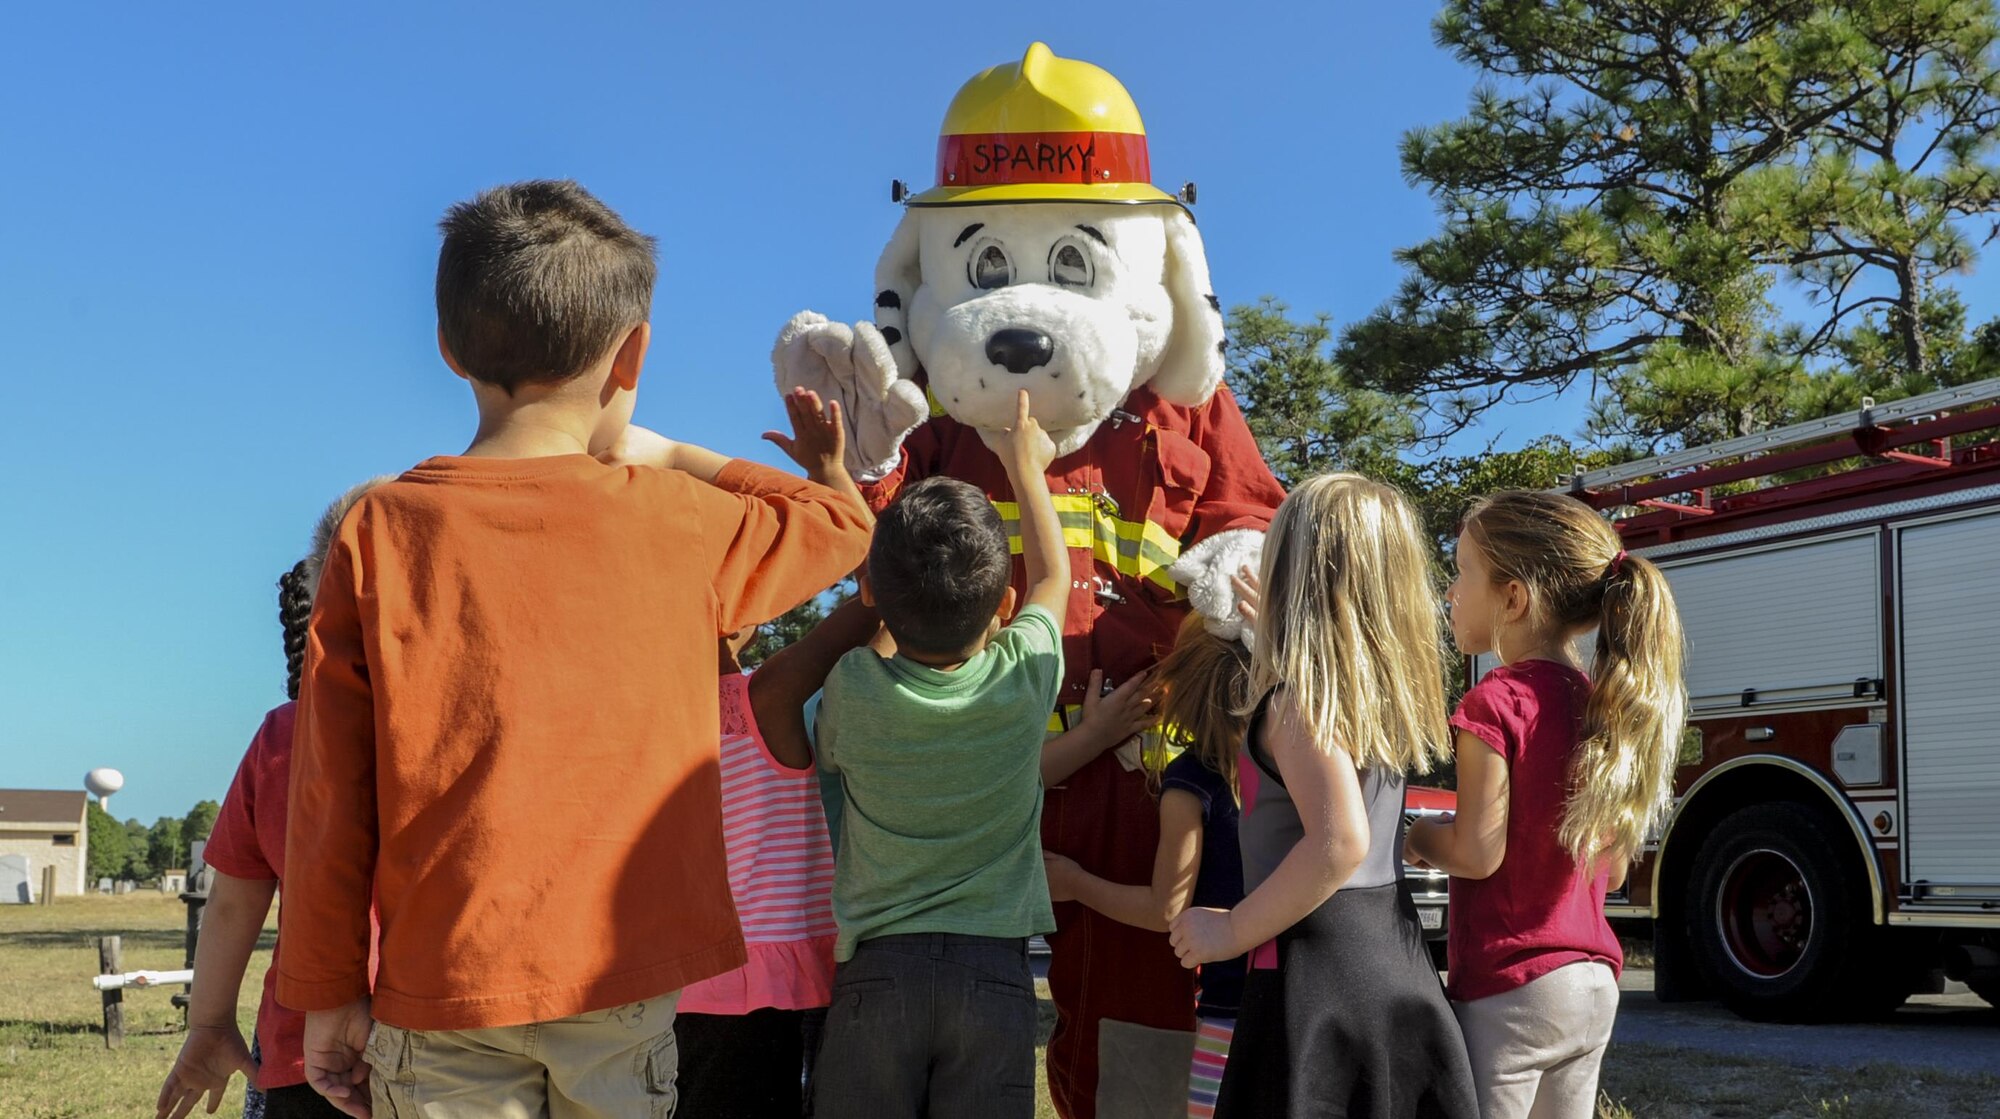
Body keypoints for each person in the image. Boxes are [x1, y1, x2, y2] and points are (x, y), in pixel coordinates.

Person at [276, 180, 873, 1119]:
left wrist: (324, 986)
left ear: (447, 345)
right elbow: (837, 521)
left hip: (441, 979)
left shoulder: (380, 528)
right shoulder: (677, 521)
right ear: (630, 354)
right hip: (622, 976)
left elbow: (330, 791)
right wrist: (669, 453)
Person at [1168, 473, 1478, 1119]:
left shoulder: (1294, 704)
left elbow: (1339, 842)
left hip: (1316, 979)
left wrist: (1232, 927)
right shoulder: (1371, 698)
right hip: (1391, 963)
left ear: (1292, 572)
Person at [806, 390, 1063, 1119]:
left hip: (878, 969)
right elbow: (1053, 579)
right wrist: (1025, 465)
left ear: (879, 602)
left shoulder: (852, 691)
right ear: (1003, 608)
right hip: (995, 972)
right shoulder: (1023, 679)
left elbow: (877, 632)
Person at [1405, 490, 1686, 1119]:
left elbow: (1477, 853)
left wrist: (1417, 837)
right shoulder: (1607, 701)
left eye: (1462, 572)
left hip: (1514, 988)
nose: (1451, 591)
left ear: (1514, 598)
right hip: (1591, 984)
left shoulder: (1495, 701)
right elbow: (1610, 870)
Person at [672, 388, 875, 1119]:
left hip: (679, 985)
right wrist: (830, 474)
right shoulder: (766, 699)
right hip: (792, 985)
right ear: (747, 616)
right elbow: (879, 590)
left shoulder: (641, 716)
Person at [155, 479, 386, 1119]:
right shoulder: (482, 735)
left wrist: (208, 1024)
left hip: (300, 1056)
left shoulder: (283, 736)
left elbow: (232, 901)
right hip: (461, 1051)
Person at [1043, 614, 1252, 1119]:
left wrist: (1075, 883)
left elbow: (1166, 909)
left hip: (1224, 1012)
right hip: (1289, 1002)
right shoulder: (1285, 769)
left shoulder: (1189, 782)